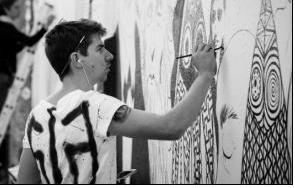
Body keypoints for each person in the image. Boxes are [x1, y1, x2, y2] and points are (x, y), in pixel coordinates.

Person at [17, 19, 217, 184]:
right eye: (100, 49)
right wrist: (205, 75)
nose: (110, 56)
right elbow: (170, 127)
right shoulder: (93, 106)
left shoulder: (37, 115)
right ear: (77, 59)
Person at [0, 0, 54, 168]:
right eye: (16, 7)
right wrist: (44, 27)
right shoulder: (5, 26)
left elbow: (17, 46)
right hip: (0, 76)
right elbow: (28, 41)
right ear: (7, 9)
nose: (19, 10)